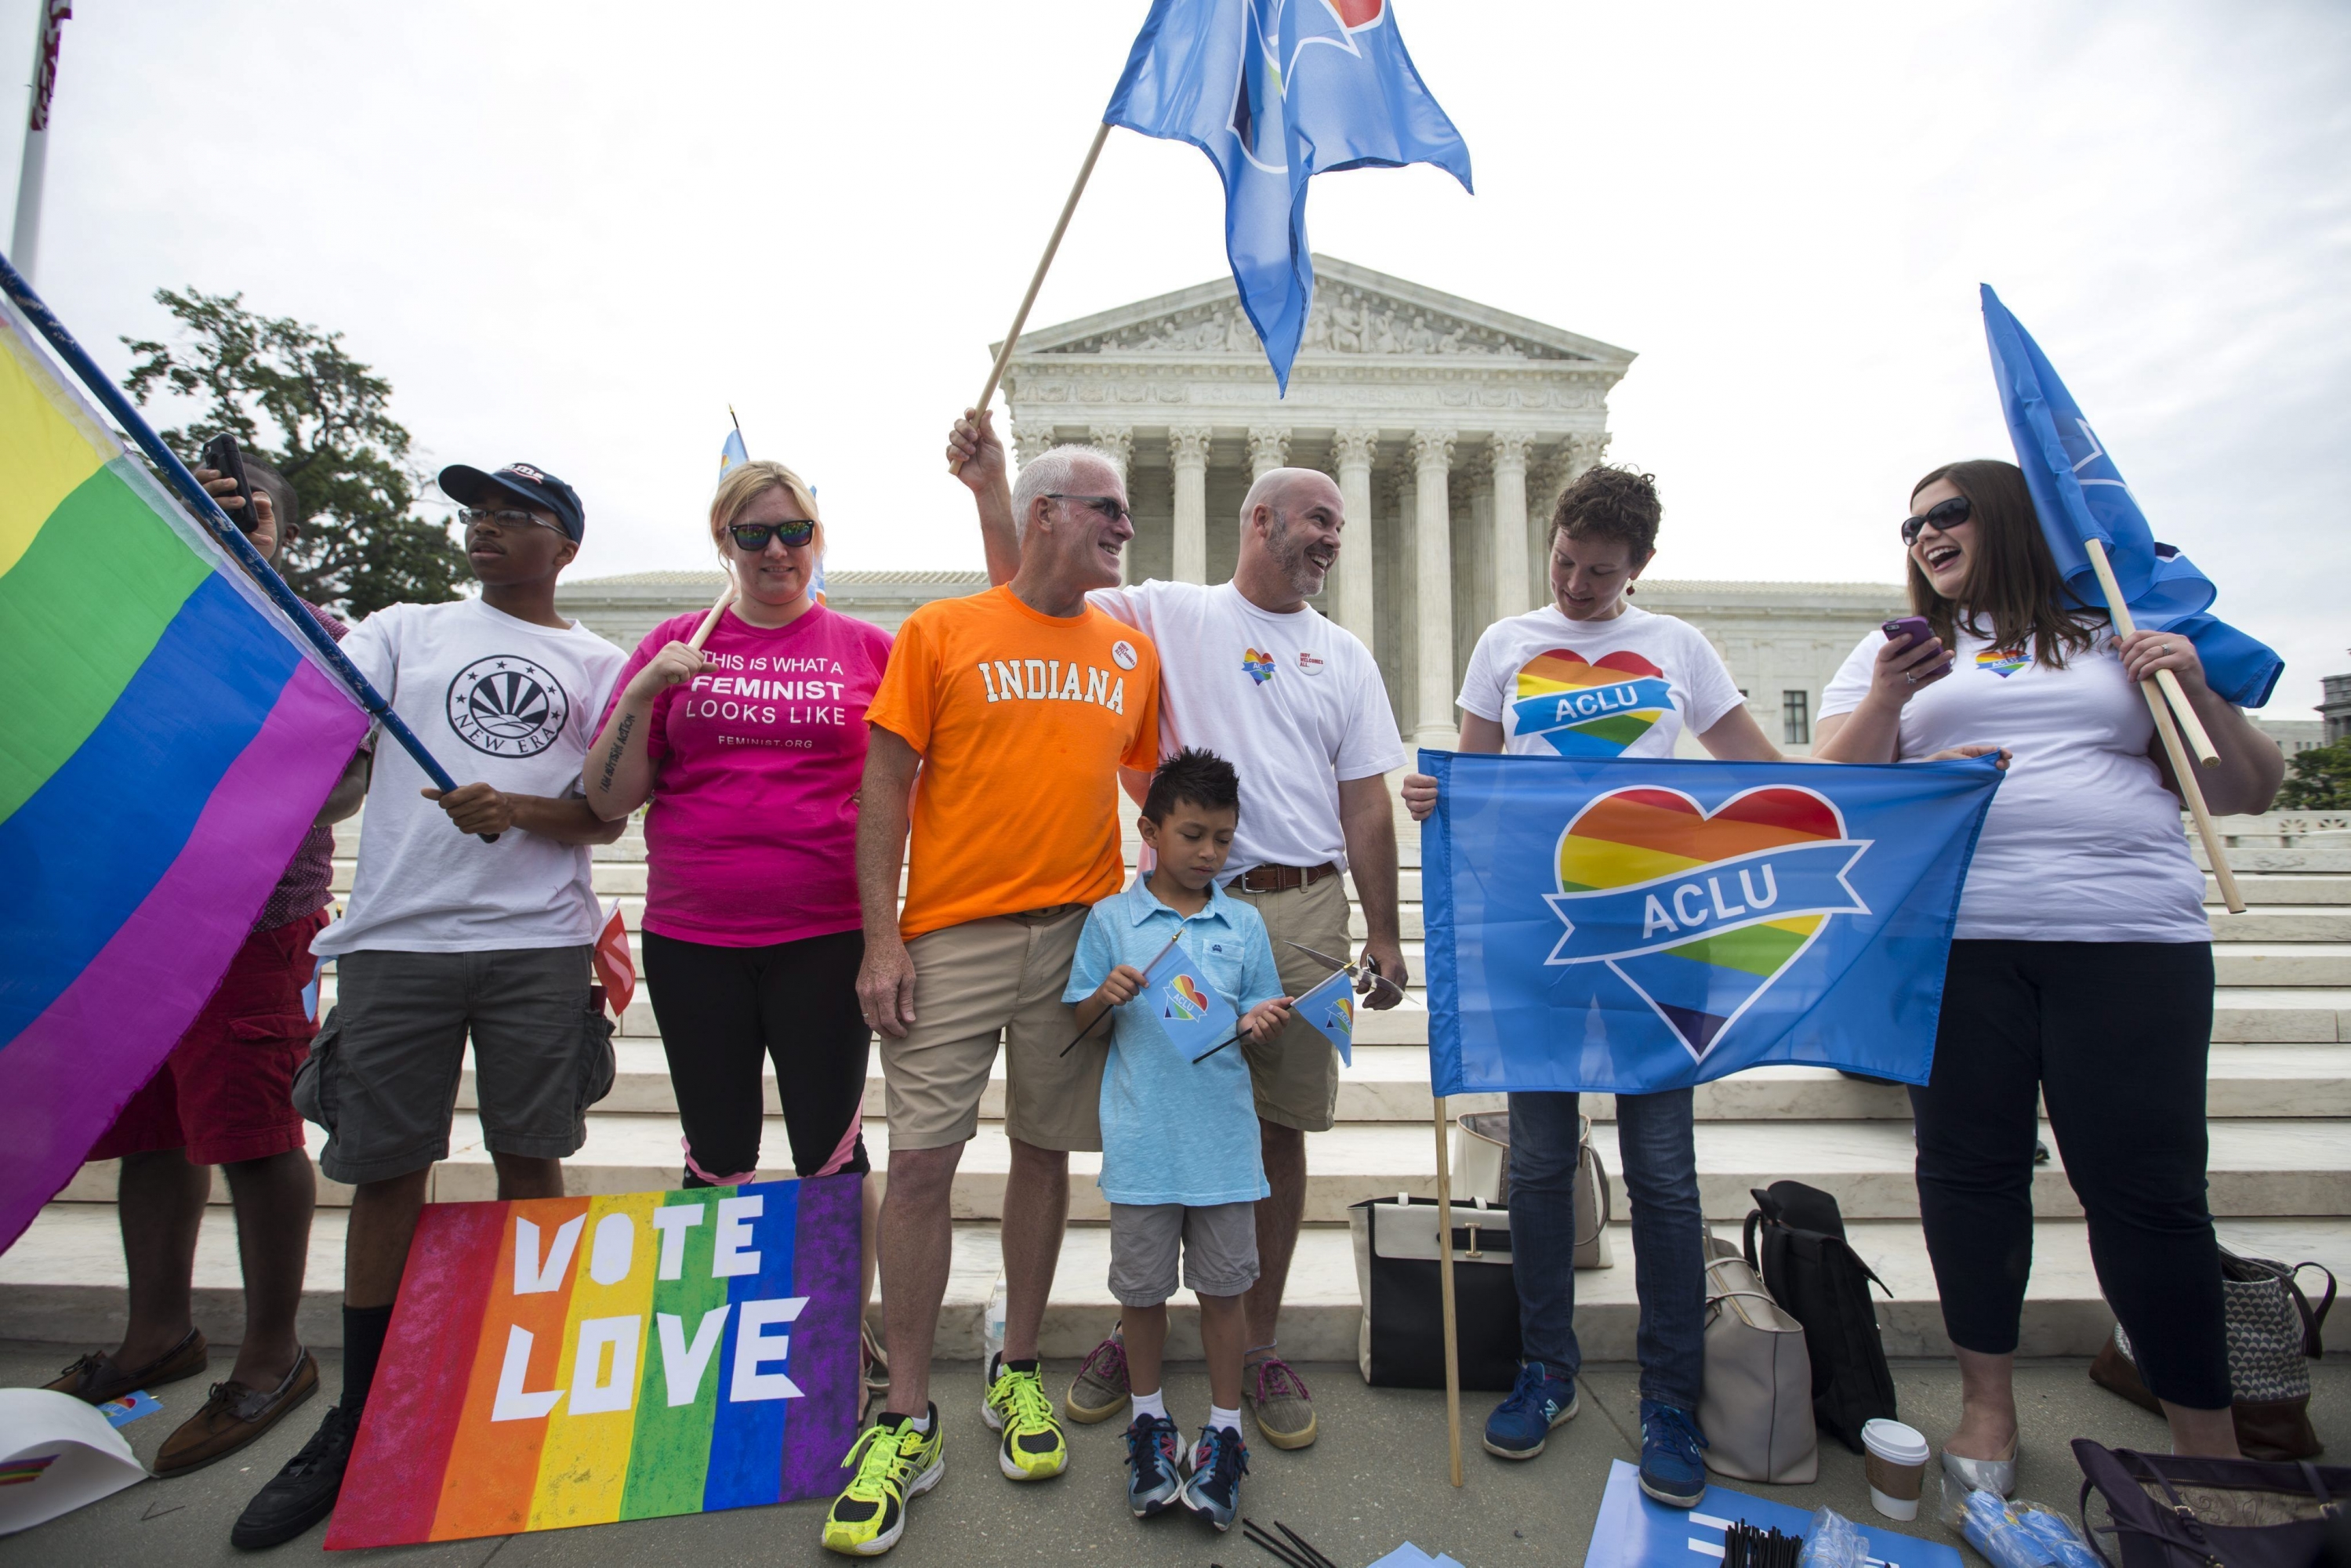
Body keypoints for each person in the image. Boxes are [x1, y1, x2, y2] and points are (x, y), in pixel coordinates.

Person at [1812, 459, 2283, 1483]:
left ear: (2014, 520)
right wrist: (1892, 698)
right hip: (1955, 945)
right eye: (1909, 525)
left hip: (2127, 941)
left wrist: (2195, 685)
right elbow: (1830, 793)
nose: (1924, 535)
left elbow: (2244, 788)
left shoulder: (2117, 632)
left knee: (2147, 1191)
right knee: (1968, 1176)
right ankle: (1987, 1408)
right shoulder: (1900, 652)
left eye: (1947, 514)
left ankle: (2201, 1430)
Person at [948, 409, 1408, 1451]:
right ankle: (1135, 1322)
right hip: (1174, 904)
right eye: (1315, 518)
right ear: (1256, 522)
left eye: (1337, 523)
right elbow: (1036, 594)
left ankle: (1254, 1345)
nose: (1331, 535)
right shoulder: (1168, 613)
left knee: (1279, 1129)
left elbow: (1365, 802)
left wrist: (1380, 933)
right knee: (1154, 1112)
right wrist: (989, 494)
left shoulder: (1341, 656)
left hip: (1295, 904)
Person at [231, 461, 628, 1550]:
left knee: (529, 1163)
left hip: (536, 949)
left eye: (517, 515)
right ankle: (361, 1420)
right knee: (385, 1170)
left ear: (567, 547)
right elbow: (316, 695)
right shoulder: (402, 629)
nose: (487, 528)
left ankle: (528, 1394)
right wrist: (255, 555)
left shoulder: (600, 664)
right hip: (399, 940)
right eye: (477, 512)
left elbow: (602, 817)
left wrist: (519, 809)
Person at [1401, 464, 1787, 1508]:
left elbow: (1759, 770)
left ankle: (1669, 1391)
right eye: (1563, 563)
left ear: (1640, 568)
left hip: (1659, 932)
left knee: (1661, 1171)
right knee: (1535, 1163)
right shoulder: (1505, 645)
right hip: (1539, 929)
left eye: (1598, 573)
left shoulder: (1677, 648)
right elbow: (1472, 789)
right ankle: (1545, 1368)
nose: (1574, 587)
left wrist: (1877, 786)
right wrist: (1436, 795)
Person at [823, 445, 1161, 1558]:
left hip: (1075, 936)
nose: (1124, 522)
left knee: (1041, 1153)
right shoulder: (941, 631)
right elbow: (883, 781)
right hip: (952, 934)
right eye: (1105, 508)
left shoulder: (1127, 649)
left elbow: (1150, 791)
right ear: (1045, 514)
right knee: (919, 1161)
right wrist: (882, 938)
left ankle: (1013, 1367)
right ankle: (904, 1414)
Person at [46, 460, 368, 1478]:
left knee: (255, 1131)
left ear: (283, 522)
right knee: (156, 1133)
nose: (228, 519)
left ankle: (274, 1354)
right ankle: (159, 1333)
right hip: (131, 920)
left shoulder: (310, 631)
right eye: (205, 500)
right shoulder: (141, 622)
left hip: (251, 919)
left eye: (249, 506)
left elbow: (349, 774)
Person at [582, 456, 891, 1382]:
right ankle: (710, 1335)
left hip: (824, 931)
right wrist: (643, 692)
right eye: (751, 534)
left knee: (830, 1148)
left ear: (816, 539)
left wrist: (893, 933)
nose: (774, 551)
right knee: (716, 1147)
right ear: (724, 544)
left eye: (791, 531)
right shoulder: (675, 642)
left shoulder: (867, 651)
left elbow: (910, 792)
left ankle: (838, 1328)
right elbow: (604, 800)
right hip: (695, 937)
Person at [1064, 749, 1291, 1533]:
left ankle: (1223, 1428)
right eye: (1192, 833)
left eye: (1222, 839)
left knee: (1225, 1291)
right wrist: (1105, 990)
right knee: (1141, 1292)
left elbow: (1260, 1011)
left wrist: (1263, 1020)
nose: (1207, 852)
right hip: (1143, 1147)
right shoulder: (1111, 920)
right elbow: (1079, 1020)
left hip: (1224, 1148)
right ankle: (1149, 1422)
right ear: (1149, 829)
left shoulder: (1244, 921)